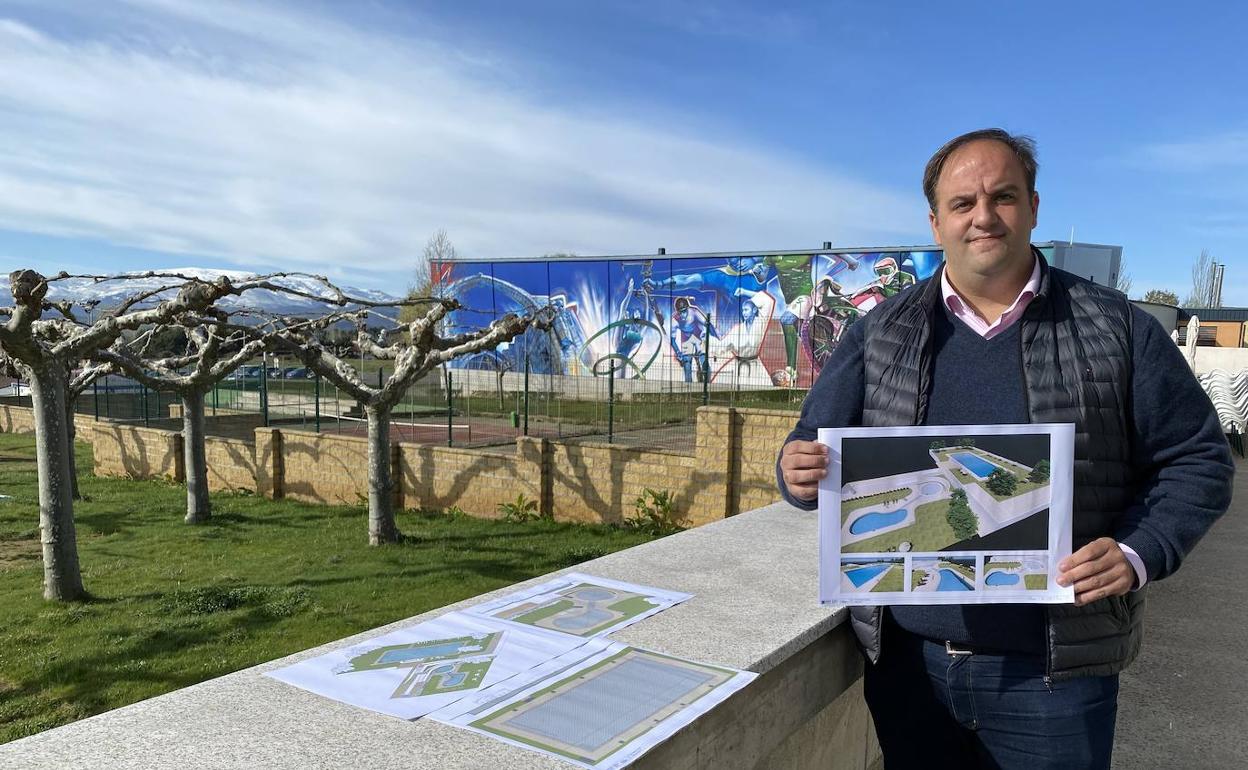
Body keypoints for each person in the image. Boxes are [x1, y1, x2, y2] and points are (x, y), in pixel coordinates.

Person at [776, 128, 1234, 769]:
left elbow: (1198, 459)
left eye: (1003, 197)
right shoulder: (879, 332)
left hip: (1055, 679)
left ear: (1034, 208)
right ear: (936, 223)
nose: (983, 217)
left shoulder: (1117, 327)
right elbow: (810, 444)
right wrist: (795, 471)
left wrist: (1138, 552)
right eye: (963, 204)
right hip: (909, 671)